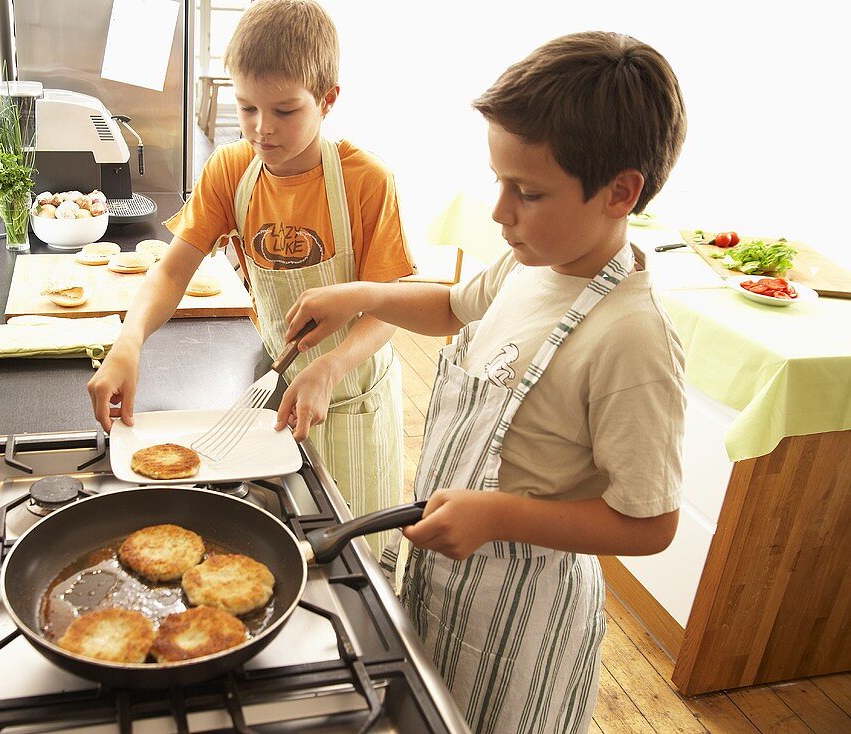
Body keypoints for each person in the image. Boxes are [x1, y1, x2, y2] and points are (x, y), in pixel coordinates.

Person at [281, 31, 687, 733]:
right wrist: (363, 296)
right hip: (452, 575)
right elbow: (451, 308)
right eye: (499, 182)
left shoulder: (631, 338)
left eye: (527, 192)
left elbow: (652, 523)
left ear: (621, 192)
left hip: (528, 608)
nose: (500, 212)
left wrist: (497, 515)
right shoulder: (534, 262)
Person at [87, 0, 411, 554]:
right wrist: (128, 340)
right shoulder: (232, 171)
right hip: (279, 383)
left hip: (353, 392)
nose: (262, 130)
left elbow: (391, 306)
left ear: (327, 100)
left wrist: (331, 367)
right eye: (247, 108)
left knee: (353, 552)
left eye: (285, 111)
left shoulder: (366, 180)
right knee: (286, 539)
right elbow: (171, 272)